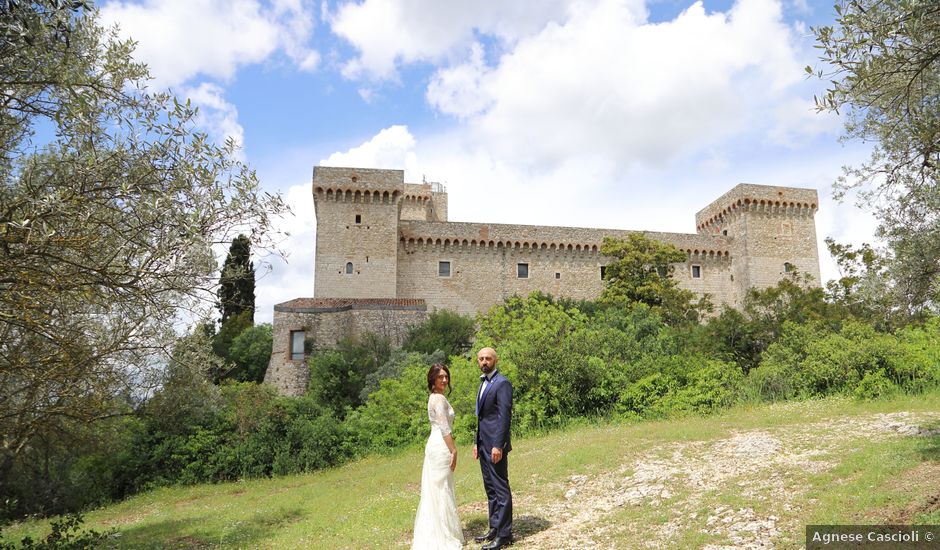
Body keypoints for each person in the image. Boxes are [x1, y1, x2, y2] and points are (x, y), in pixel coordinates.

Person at [412, 363, 464, 549]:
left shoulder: (434, 397)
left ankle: (438, 530)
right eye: (440, 377)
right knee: (441, 489)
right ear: (432, 379)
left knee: (436, 488)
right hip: (441, 445)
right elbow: (444, 427)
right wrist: (454, 450)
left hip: (435, 444)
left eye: (446, 376)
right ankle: (442, 534)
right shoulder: (438, 400)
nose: (444, 379)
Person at [472, 347, 513, 549]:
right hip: (483, 445)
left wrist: (499, 445)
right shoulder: (482, 383)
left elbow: (504, 418)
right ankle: (495, 527)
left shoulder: (502, 383)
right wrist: (475, 442)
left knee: (500, 488)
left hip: (496, 446)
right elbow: (481, 418)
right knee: (490, 489)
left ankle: (505, 534)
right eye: (481, 359)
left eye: (488, 358)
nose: (484, 362)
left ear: (495, 360)